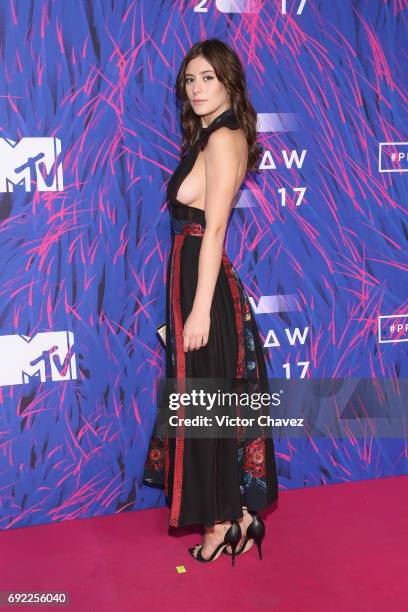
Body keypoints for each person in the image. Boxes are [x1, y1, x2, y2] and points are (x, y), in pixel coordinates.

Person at [143, 39, 279, 566]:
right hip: (190, 279)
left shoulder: (224, 139)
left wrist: (199, 309)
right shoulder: (207, 135)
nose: (197, 89)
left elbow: (215, 227)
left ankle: (221, 523)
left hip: (204, 288)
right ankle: (241, 518)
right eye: (190, 80)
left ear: (228, 81)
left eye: (207, 78)